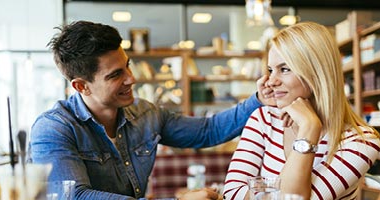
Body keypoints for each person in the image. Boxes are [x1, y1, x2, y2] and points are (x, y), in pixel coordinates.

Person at [28, 20, 273, 200]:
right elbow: (75, 197)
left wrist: (259, 98)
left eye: (127, 66)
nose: (131, 79)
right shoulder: (53, 128)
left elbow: (208, 131)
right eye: (116, 75)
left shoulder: (145, 114)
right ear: (81, 86)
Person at [223, 22, 380, 200]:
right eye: (270, 70)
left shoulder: (361, 142)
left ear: (316, 73)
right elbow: (232, 193)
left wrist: (309, 127)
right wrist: (279, 191)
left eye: (284, 69)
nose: (270, 81)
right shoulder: (263, 119)